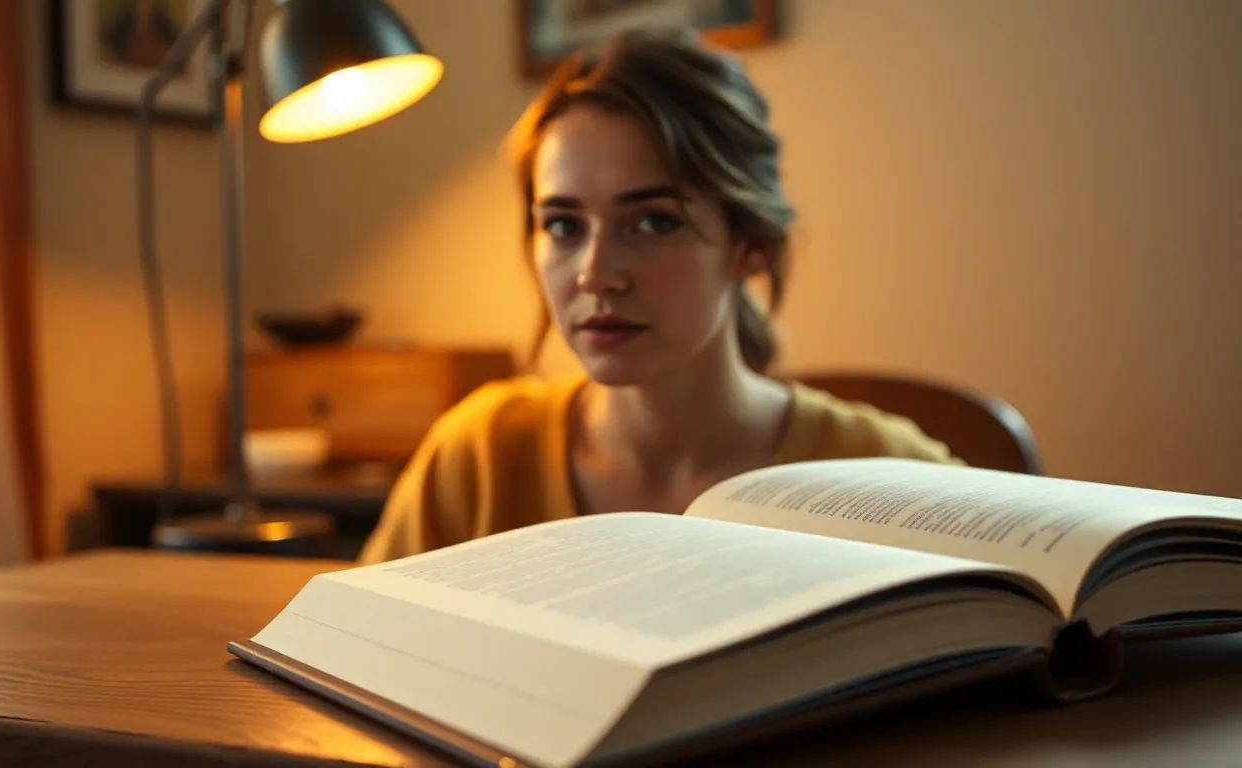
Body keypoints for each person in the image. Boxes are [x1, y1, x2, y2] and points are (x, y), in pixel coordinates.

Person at [356, 29, 959, 565]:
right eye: (564, 226)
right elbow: (346, 656)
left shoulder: (882, 471)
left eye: (653, 222)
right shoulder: (480, 459)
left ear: (750, 244)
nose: (596, 275)